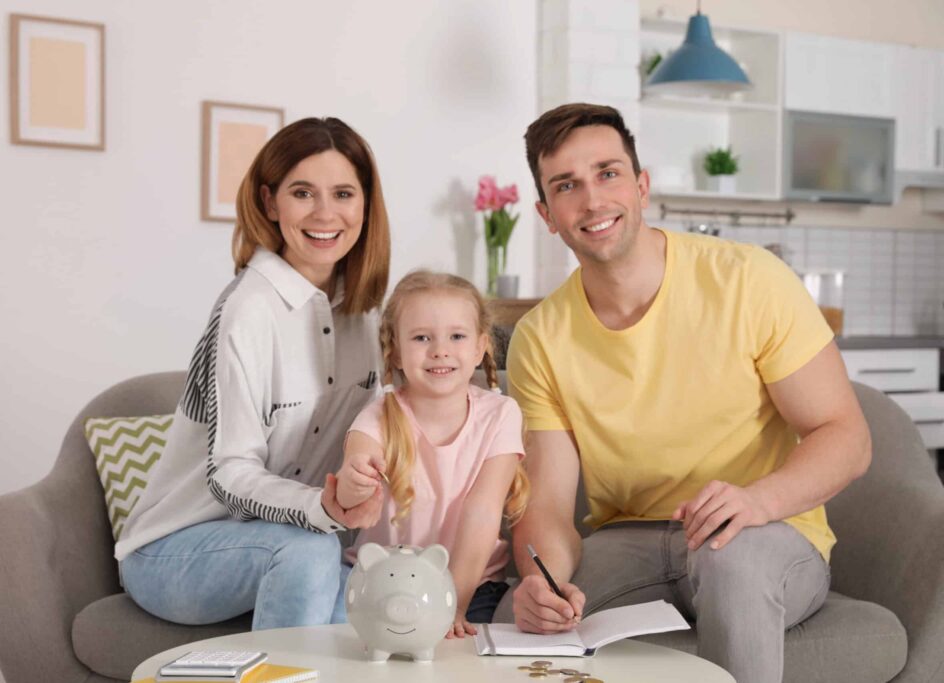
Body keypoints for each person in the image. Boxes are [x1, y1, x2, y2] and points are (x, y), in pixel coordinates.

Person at [495, 103, 872, 683]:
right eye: (567, 185)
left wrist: (760, 502)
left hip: (764, 532)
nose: (593, 200)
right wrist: (539, 579)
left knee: (732, 561)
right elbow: (546, 504)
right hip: (631, 541)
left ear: (642, 186)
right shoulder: (540, 338)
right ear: (547, 214)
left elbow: (846, 437)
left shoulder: (749, 280)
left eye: (608, 173)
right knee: (517, 622)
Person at [114, 117, 391, 630]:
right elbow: (228, 473)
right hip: (173, 551)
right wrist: (322, 507)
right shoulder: (247, 309)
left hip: (296, 539)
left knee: (372, 610)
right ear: (270, 203)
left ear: (366, 204)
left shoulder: (366, 314)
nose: (326, 213)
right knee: (311, 555)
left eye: (344, 194)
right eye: (303, 192)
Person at [335, 271, 530, 638]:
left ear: (479, 347)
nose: (440, 349)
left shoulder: (501, 414)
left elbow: (483, 511)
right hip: (379, 582)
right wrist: (354, 481)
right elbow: (347, 495)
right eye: (422, 337)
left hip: (469, 585)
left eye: (457, 336)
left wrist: (451, 603)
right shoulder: (377, 414)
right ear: (394, 350)